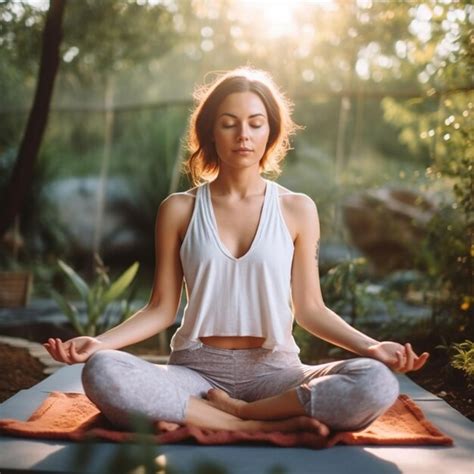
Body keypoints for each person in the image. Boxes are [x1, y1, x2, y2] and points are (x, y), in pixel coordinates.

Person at [43, 67, 430, 437]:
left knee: (376, 382)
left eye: (255, 123)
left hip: (276, 375)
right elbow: (161, 308)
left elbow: (310, 310)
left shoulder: (297, 209)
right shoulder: (179, 209)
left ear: (270, 132)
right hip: (196, 374)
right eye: (229, 123)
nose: (242, 134)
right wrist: (100, 343)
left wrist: (373, 347)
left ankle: (239, 413)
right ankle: (256, 427)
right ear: (211, 131)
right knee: (103, 370)